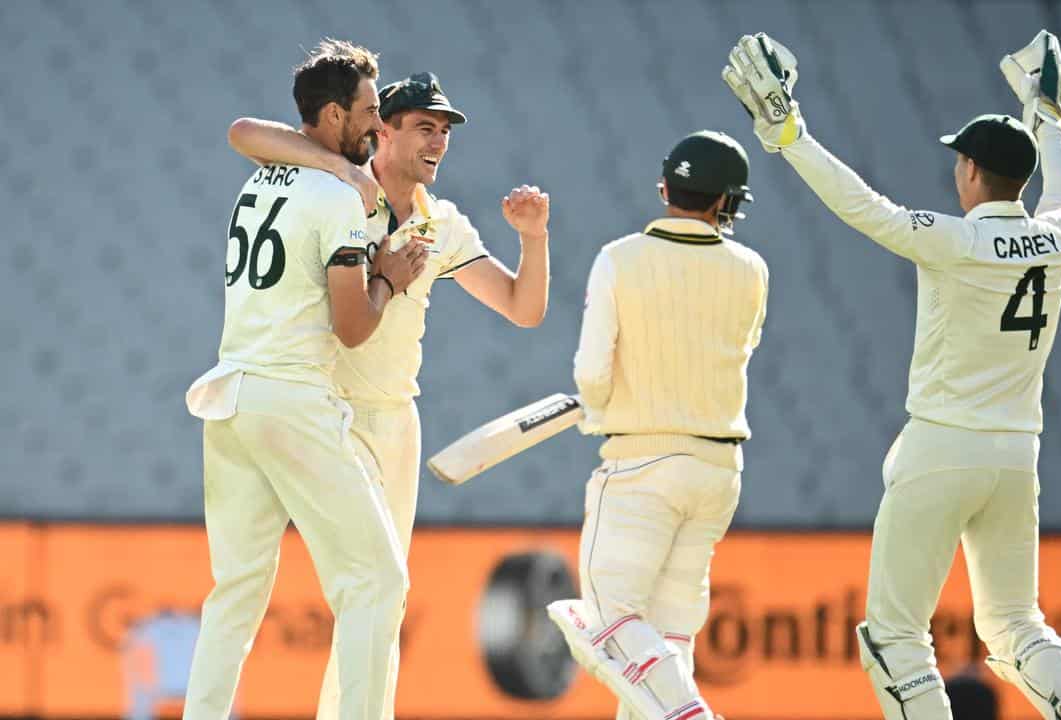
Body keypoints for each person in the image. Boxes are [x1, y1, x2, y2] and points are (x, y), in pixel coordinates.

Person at [723, 30, 1061, 720]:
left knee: (893, 636)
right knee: (1016, 623)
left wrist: (790, 136)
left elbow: (862, 205)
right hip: (1017, 453)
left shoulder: (955, 240)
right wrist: (1047, 116)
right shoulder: (1060, 237)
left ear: (968, 170)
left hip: (941, 446)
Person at [224, 68, 550, 717]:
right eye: (424, 127)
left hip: (394, 420)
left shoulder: (441, 223)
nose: (439, 141)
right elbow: (244, 134)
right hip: (323, 414)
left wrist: (533, 237)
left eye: (445, 131)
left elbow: (522, 307)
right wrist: (341, 169)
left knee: (380, 596)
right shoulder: (339, 190)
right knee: (363, 588)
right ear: (384, 129)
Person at [182, 39, 425, 720]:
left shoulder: (264, 174)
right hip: (291, 399)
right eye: (370, 113)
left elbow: (244, 132)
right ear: (328, 115)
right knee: (377, 580)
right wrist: (388, 279)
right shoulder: (336, 196)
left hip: (231, 397)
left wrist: (335, 168)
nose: (380, 127)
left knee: (236, 591)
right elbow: (352, 327)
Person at [547, 130, 768, 720]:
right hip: (719, 469)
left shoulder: (619, 258)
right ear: (728, 200)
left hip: (642, 465)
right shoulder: (751, 269)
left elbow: (593, 369)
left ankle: (693, 717)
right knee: (670, 635)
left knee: (607, 618)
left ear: (665, 186)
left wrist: (595, 407)